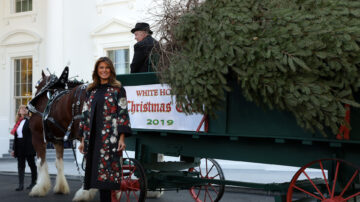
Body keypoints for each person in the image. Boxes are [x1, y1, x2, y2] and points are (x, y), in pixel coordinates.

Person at [78, 57, 132, 202]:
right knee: (97, 177)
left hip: (110, 139)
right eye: (101, 67)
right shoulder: (91, 90)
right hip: (93, 138)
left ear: (111, 70)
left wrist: (121, 138)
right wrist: (82, 140)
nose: (104, 70)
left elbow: (122, 113)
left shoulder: (118, 89)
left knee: (107, 179)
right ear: (97, 70)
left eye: (107, 67)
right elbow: (85, 116)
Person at [11, 105, 37, 191]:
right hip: (19, 146)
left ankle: (34, 183)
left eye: (25, 108)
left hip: (29, 146)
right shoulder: (17, 123)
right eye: (22, 108)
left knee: (32, 165)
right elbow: (16, 137)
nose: (24, 109)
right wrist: (13, 149)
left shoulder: (30, 120)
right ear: (19, 111)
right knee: (20, 166)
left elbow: (34, 131)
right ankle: (20, 185)